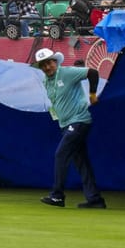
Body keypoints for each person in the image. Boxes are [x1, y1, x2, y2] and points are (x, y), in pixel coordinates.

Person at [34, 49, 105, 209]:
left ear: (55, 62)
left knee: (61, 154)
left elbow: (92, 72)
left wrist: (92, 94)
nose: (47, 67)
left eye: (49, 63)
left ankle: (58, 195)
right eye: (43, 65)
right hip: (66, 124)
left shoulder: (67, 73)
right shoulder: (46, 81)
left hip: (79, 121)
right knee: (81, 162)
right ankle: (95, 199)